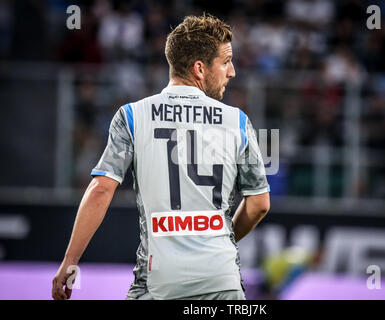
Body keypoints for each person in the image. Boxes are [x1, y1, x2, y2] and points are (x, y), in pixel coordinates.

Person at [52, 14, 270, 300]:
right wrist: (219, 238)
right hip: (221, 280)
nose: (233, 72)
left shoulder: (132, 116)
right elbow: (259, 205)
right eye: (226, 62)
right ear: (200, 68)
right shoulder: (238, 122)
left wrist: (70, 262)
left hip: (159, 281)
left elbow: (101, 189)